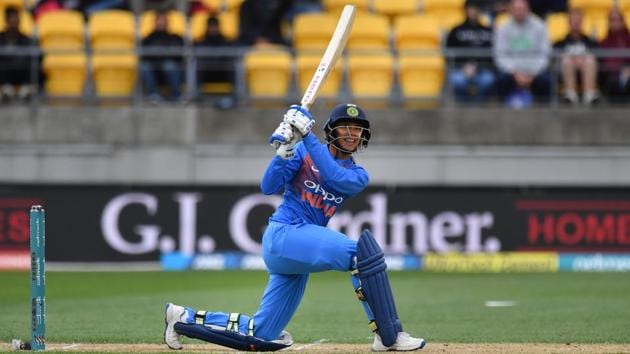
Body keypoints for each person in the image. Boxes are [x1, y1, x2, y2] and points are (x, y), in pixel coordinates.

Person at [163, 104, 427, 352]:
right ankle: (389, 335)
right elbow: (268, 186)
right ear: (331, 131)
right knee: (361, 253)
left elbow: (334, 177)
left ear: (364, 135)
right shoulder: (302, 152)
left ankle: (182, 317)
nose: (351, 133)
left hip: (296, 252)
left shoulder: (358, 175)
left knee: (263, 332)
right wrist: (283, 153)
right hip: (285, 233)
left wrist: (306, 136)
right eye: (345, 126)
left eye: (357, 128)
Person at [494, 0, 551, 107]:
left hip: (534, 72)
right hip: (512, 72)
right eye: (516, 9)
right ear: (511, 10)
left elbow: (545, 54)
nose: (519, 12)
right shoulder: (503, 28)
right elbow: (500, 55)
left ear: (528, 9)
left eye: (522, 9)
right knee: (500, 79)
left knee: (546, 80)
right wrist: (515, 73)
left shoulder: (540, 26)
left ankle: (544, 111)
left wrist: (532, 73)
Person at [446, 0, 496, 102]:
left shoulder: (488, 31)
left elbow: (492, 55)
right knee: (457, 80)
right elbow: (449, 54)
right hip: (461, 70)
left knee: (488, 79)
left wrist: (478, 68)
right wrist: (463, 67)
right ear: (466, 10)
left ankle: (479, 107)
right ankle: (463, 108)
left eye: (476, 8)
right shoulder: (455, 30)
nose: (473, 11)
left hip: (483, 70)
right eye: (471, 8)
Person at [554, 8, 600, 105]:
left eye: (578, 21)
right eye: (573, 20)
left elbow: (599, 57)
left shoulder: (591, 42)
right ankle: (570, 95)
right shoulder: (560, 43)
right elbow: (554, 58)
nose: (576, 23)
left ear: (582, 22)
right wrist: (574, 60)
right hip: (565, 72)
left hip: (587, 70)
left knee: (589, 60)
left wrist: (582, 60)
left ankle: (589, 95)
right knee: (567, 60)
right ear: (569, 22)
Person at [140, 10, 184, 103]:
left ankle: (176, 95)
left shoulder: (175, 37)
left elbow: (179, 56)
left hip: (171, 70)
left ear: (168, 22)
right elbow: (144, 56)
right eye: (159, 20)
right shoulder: (148, 38)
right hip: (154, 70)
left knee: (169, 65)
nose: (161, 23)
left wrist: (160, 54)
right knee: (144, 66)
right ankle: (153, 94)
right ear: (155, 23)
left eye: (163, 20)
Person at [194, 16, 236, 107]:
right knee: (197, 66)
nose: (213, 29)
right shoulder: (200, 42)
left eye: (215, 26)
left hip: (222, 72)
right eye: (211, 26)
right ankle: (195, 97)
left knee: (233, 67)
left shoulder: (226, 42)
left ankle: (236, 97)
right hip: (207, 73)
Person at [0, 7, 34, 102]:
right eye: (11, 20)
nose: (14, 23)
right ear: (6, 21)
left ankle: (26, 89)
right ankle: (6, 89)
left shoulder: (26, 39)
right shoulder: (1, 38)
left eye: (16, 20)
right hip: (4, 72)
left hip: (21, 71)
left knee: (32, 62)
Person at [599, 7, 630, 102]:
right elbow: (605, 63)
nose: (615, 23)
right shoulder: (604, 42)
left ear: (622, 21)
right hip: (612, 75)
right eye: (612, 20)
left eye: (618, 19)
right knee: (612, 81)